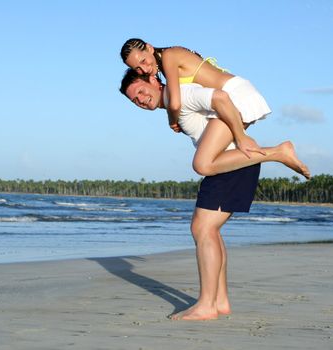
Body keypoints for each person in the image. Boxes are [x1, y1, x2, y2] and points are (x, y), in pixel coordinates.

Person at [119, 69, 309, 320]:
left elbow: (220, 97)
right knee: (208, 230)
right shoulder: (174, 105)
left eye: (141, 91)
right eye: (135, 100)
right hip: (231, 165)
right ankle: (219, 301)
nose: (141, 100)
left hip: (233, 164)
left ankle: (208, 304)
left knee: (203, 229)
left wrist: (242, 138)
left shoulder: (184, 94)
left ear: (154, 80)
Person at [120, 38, 299, 179]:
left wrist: (172, 121)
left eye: (143, 60)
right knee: (209, 160)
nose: (144, 68)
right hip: (225, 101)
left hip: (235, 95)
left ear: (149, 47)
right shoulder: (163, 65)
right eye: (137, 68)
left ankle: (278, 152)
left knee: (202, 164)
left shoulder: (169, 56)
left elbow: (175, 103)